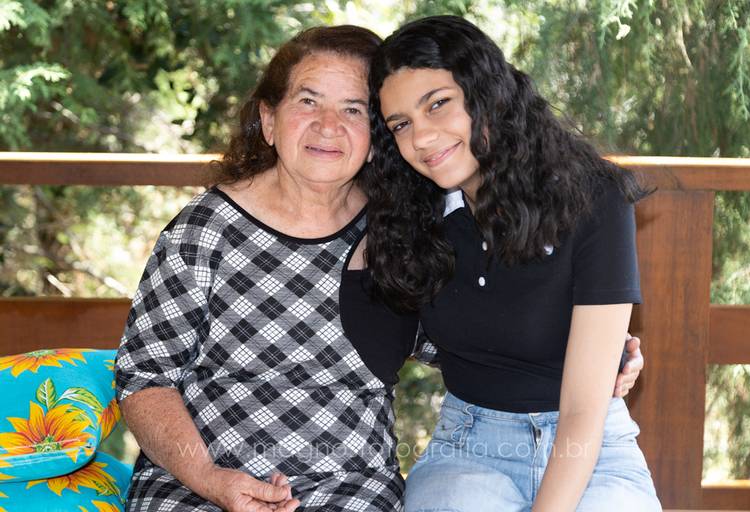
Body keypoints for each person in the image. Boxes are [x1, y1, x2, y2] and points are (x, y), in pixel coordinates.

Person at [115, 23, 646, 512]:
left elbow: (462, 331)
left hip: (351, 489)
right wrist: (209, 479)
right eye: (308, 101)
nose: (328, 126)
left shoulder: (396, 225)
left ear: (373, 140)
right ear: (269, 121)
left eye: (352, 110)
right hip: (203, 488)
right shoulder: (205, 230)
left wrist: (597, 347)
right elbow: (144, 377)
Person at [363, 15, 661, 512]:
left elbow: (584, 409)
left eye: (438, 104)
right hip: (470, 446)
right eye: (401, 124)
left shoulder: (593, 198)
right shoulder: (409, 215)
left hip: (590, 446)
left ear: (487, 93)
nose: (422, 138)